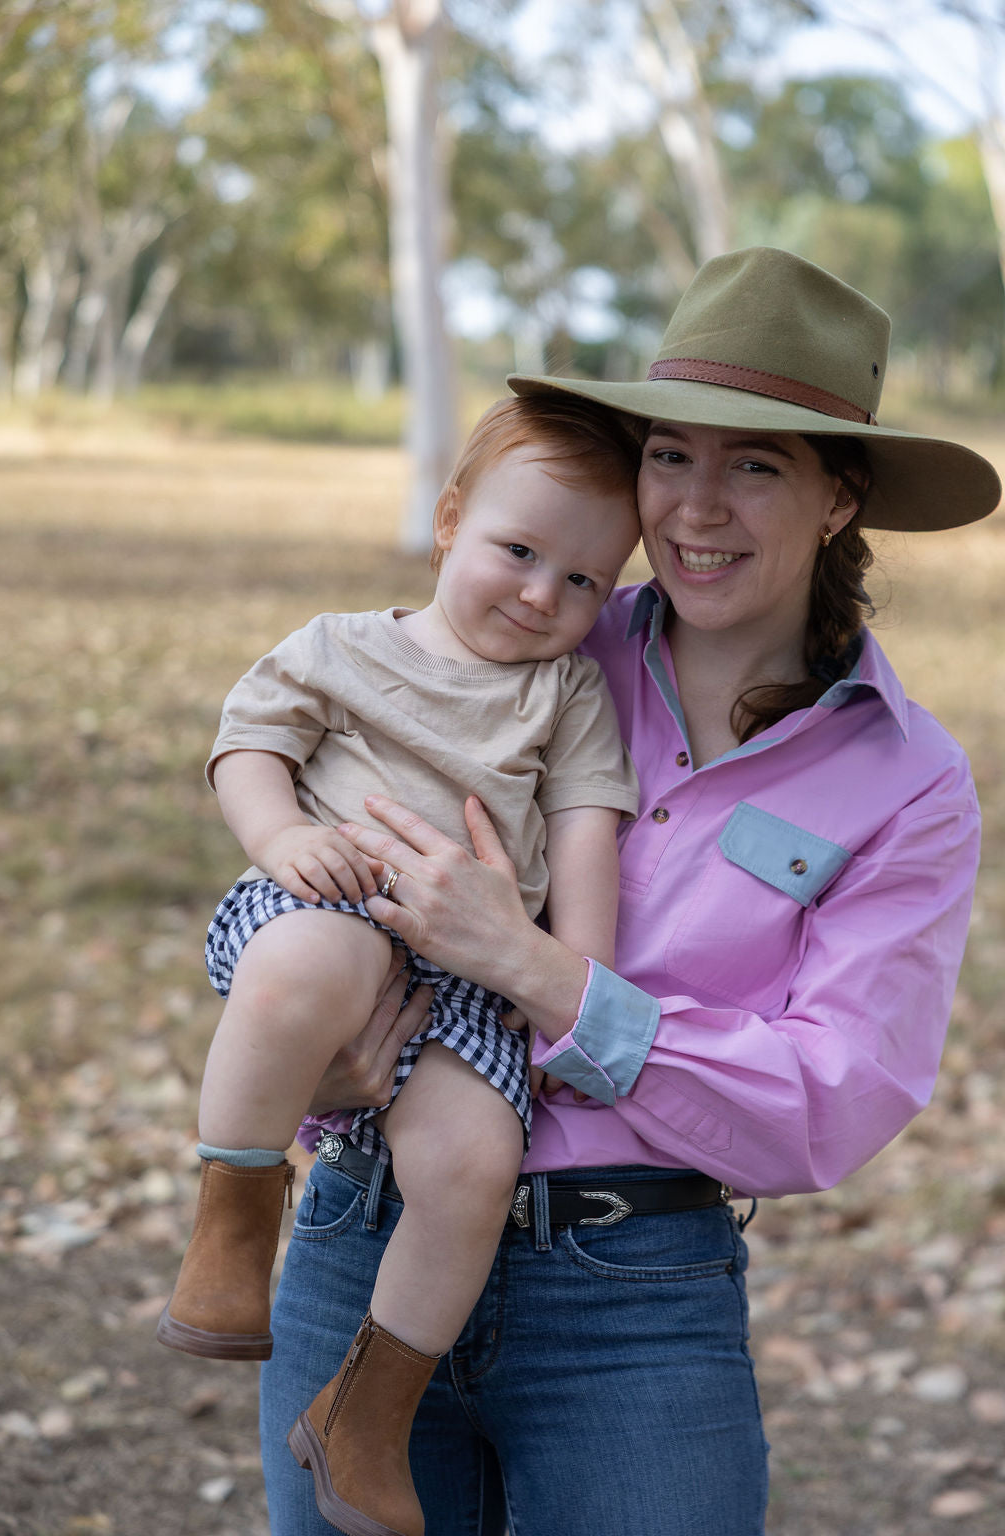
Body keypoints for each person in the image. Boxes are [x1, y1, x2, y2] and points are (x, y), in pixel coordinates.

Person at [256, 246, 1001, 1536]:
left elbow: (827, 1100)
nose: (693, 508)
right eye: (670, 453)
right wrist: (315, 1050)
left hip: (633, 1296)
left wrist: (538, 972)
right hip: (367, 1232)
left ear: (841, 498)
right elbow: (310, 827)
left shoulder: (905, 780)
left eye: (754, 465)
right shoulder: (540, 619)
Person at [156, 394, 643, 1534]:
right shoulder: (341, 645)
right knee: (310, 969)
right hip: (321, 893)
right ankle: (232, 1221)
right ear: (449, 523)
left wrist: (576, 982)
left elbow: (584, 835)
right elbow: (249, 744)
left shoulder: (567, 696)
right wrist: (282, 838)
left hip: (465, 982)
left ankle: (364, 1416)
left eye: (583, 581)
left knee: (475, 1165)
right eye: (517, 552)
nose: (541, 594)